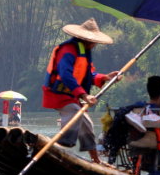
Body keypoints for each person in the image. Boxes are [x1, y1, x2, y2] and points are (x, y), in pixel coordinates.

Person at [42, 18, 118, 165]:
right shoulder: (68, 50)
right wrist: (83, 95)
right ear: (87, 39)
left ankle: (96, 160)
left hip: (71, 95)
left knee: (87, 123)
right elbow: (65, 75)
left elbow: (88, 75)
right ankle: (56, 152)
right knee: (74, 115)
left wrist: (106, 77)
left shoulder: (84, 52)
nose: (95, 44)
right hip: (58, 93)